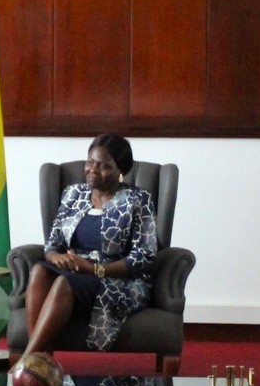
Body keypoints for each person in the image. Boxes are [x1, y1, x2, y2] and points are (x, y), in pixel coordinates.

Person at [24, 134, 159, 355]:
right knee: (40, 270)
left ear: (120, 170)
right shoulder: (73, 194)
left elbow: (143, 257)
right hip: (74, 269)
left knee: (63, 284)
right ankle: (40, 362)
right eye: (90, 162)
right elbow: (53, 243)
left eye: (103, 165)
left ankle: (26, 364)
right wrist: (54, 257)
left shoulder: (138, 200)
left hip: (117, 279)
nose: (92, 170)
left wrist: (93, 269)